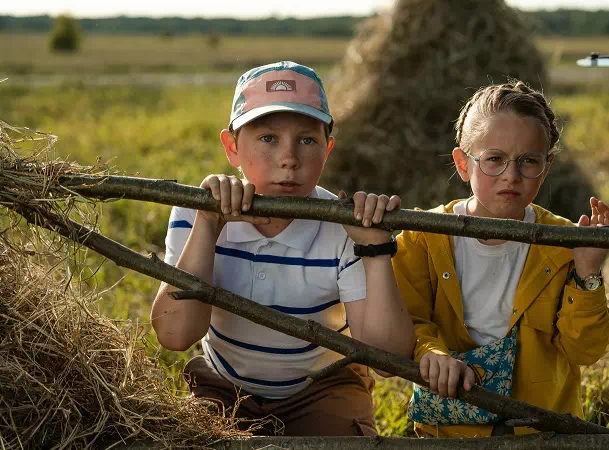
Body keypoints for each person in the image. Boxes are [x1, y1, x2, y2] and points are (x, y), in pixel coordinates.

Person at [150, 61, 416, 437]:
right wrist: (209, 226)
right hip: (225, 384)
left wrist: (374, 250)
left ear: (328, 149)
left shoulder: (343, 228)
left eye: (307, 140)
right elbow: (175, 336)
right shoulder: (196, 214)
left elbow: (388, 359)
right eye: (268, 138)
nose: (289, 158)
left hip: (321, 386)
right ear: (232, 147)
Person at [392, 79, 609, 438]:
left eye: (528, 161)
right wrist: (430, 351)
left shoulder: (562, 242)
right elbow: (407, 321)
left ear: (547, 166)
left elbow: (585, 351)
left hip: (542, 430)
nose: (511, 176)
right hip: (450, 432)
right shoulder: (423, 238)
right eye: (494, 159)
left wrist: (587, 273)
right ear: (463, 164)